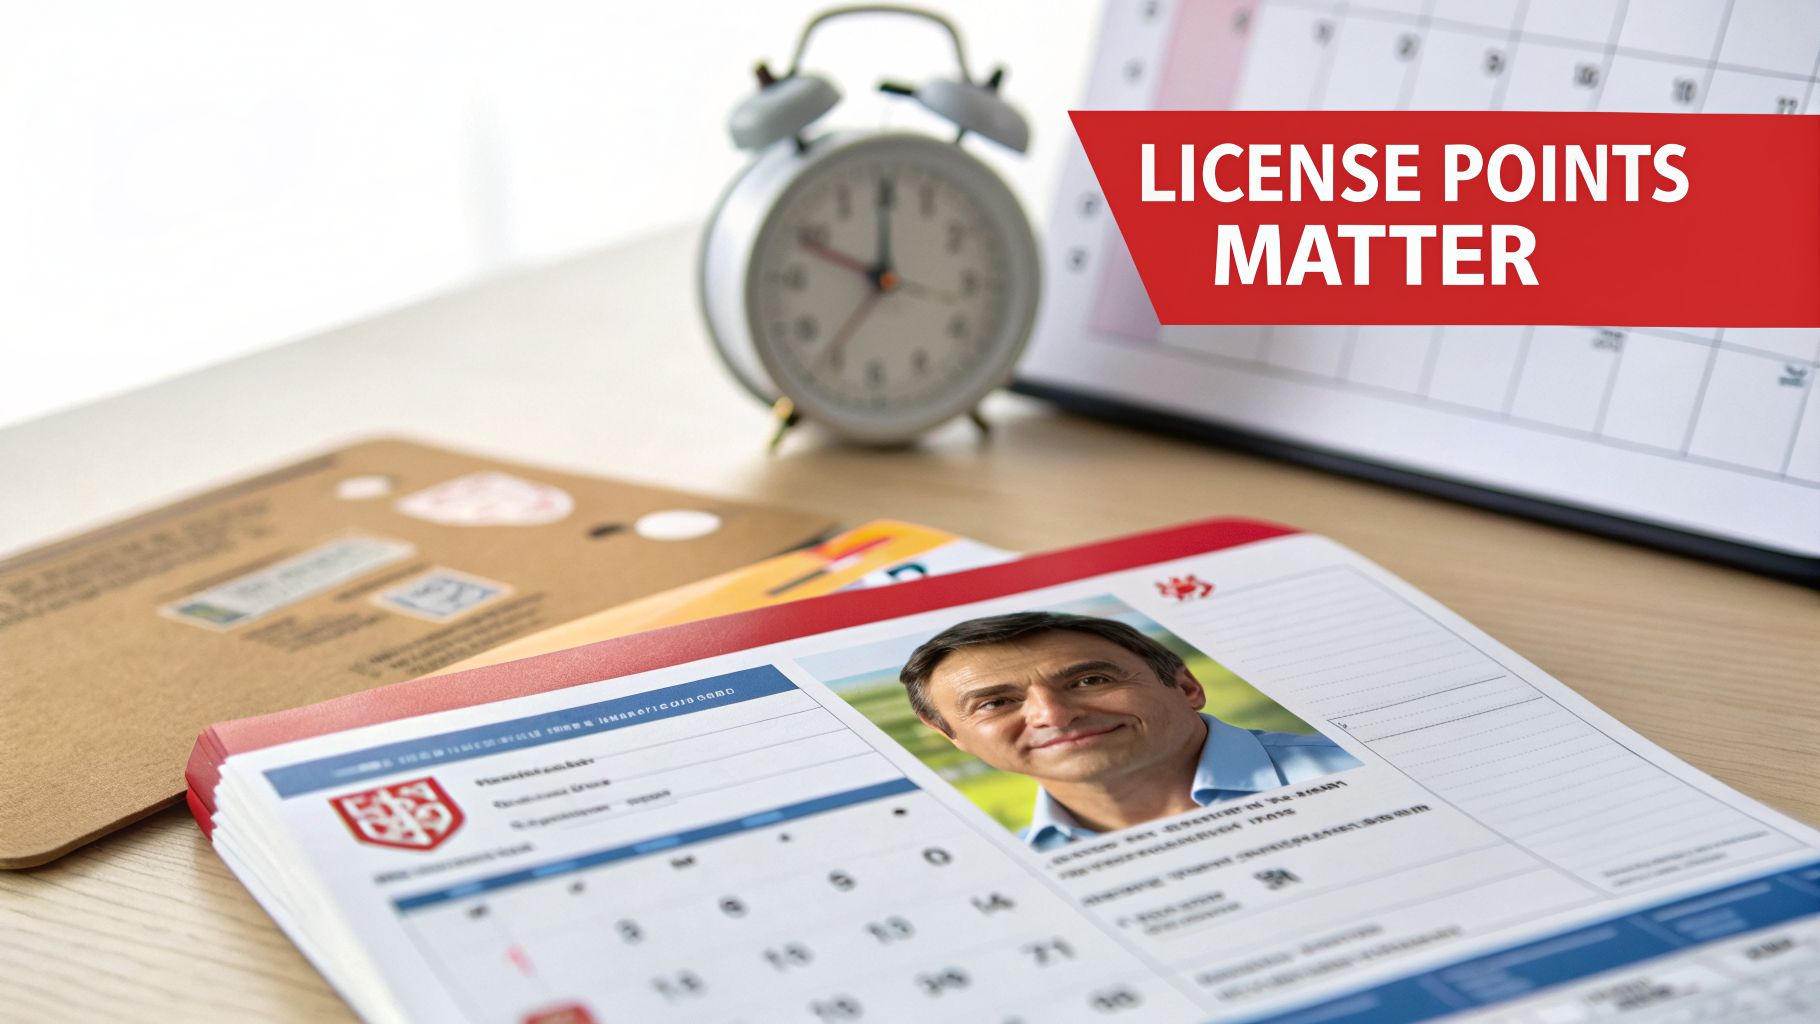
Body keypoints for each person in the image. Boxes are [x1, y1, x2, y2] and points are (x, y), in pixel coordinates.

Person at [899, 611, 1360, 851]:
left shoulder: (1358, 767)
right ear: (950, 735)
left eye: (1090, 681)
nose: (1054, 716)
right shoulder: (1021, 868)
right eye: (995, 703)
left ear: (1185, 685)